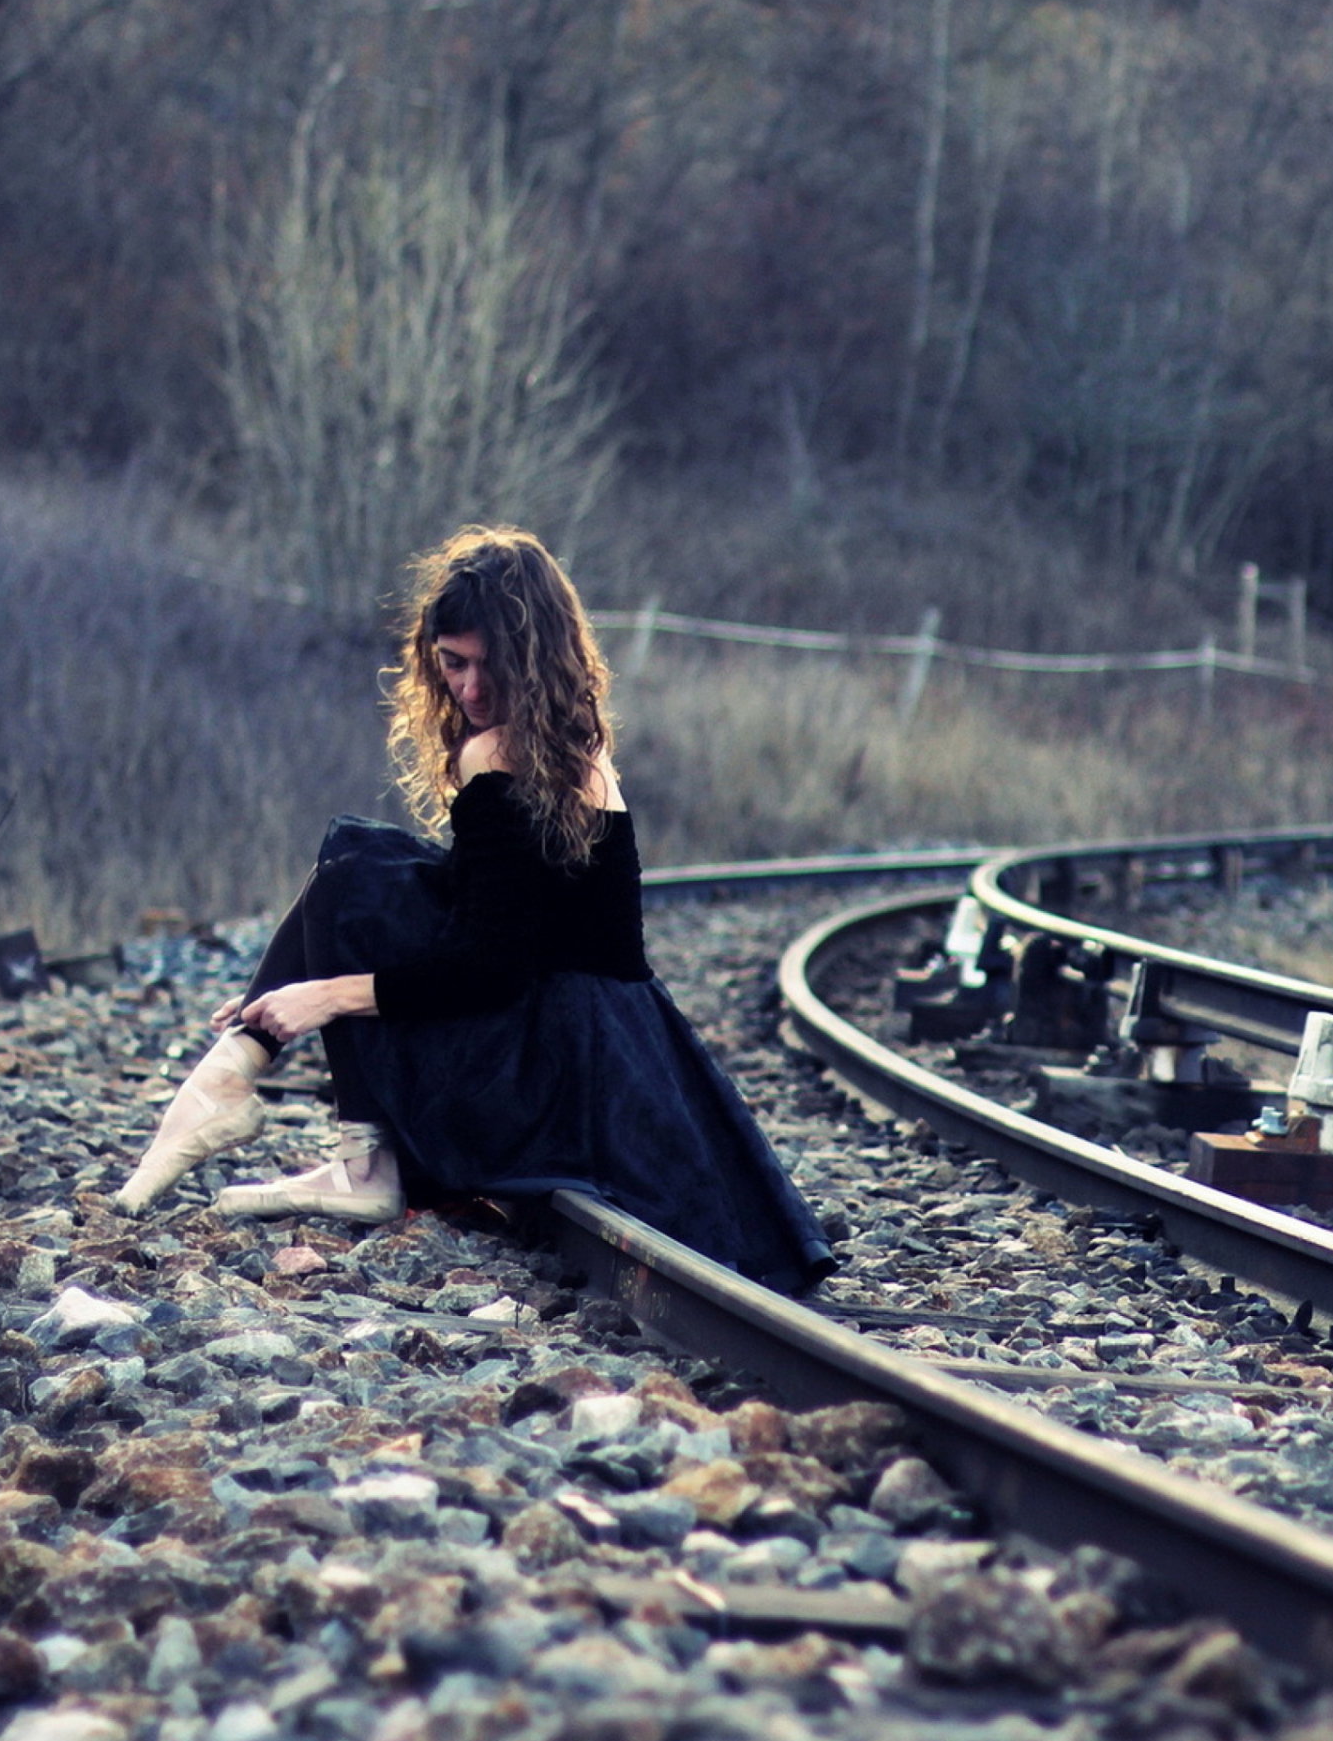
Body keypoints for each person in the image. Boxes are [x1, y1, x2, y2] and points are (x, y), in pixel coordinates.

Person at [116, 528, 834, 1295]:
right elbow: (479, 924)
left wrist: (318, 996)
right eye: (451, 665)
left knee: (357, 867)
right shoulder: (575, 751)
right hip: (616, 1062)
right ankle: (245, 1071)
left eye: (490, 665)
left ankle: (287, 1115)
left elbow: (484, 970)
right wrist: (289, 988)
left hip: (552, 1072)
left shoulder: (497, 755)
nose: (469, 689)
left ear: (533, 658)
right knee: (374, 867)